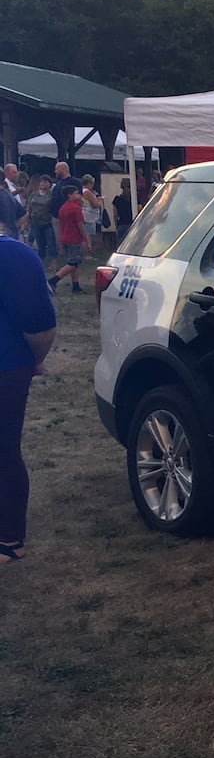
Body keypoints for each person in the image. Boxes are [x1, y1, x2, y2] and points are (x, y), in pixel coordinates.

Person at [0, 232, 58, 565]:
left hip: (5, 368)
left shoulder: (13, 257)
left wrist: (33, 361)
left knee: (2, 451)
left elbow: (40, 327)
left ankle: (9, 538)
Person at [49, 185, 90, 294]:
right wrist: (87, 240)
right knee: (73, 263)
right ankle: (53, 280)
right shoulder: (76, 209)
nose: (78, 195)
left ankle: (75, 286)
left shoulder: (63, 208)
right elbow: (80, 225)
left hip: (65, 237)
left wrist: (61, 242)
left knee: (75, 264)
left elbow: (61, 226)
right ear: (70, 195)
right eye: (76, 193)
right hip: (74, 238)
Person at [25, 175, 57, 270]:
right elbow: (29, 205)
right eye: (42, 182)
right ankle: (40, 264)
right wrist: (27, 218)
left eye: (46, 182)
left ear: (50, 184)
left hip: (47, 222)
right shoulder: (35, 193)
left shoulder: (51, 195)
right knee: (40, 244)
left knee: (51, 243)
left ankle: (53, 264)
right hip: (35, 223)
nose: (43, 184)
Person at [81, 174, 105, 257]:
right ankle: (87, 254)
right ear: (89, 183)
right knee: (88, 237)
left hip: (84, 216)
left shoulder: (81, 191)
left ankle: (86, 253)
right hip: (89, 217)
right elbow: (95, 204)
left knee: (85, 236)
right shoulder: (87, 192)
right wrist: (100, 200)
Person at [112, 178, 135, 244]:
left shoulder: (117, 199)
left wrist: (116, 226)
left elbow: (115, 214)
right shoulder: (134, 199)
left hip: (121, 224)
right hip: (132, 224)